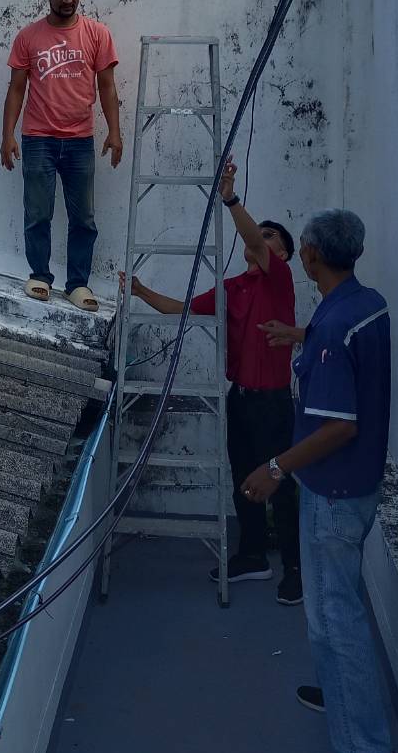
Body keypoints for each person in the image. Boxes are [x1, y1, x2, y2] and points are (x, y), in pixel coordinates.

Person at [240, 208, 398, 753]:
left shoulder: (335, 327)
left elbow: (339, 425)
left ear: (309, 255)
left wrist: (276, 467)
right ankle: (341, 695)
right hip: (357, 486)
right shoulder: (366, 305)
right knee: (337, 613)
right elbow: (340, 350)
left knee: (335, 620)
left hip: (331, 492)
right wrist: (300, 336)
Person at [120, 157, 302, 604]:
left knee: (280, 481)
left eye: (270, 236)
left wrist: (231, 199)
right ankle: (253, 556)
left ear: (281, 254)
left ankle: (295, 570)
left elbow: (250, 237)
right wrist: (140, 291)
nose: (261, 239)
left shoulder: (279, 280)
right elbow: (181, 309)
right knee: (243, 476)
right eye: (262, 233)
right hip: (240, 398)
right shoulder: (233, 288)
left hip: (274, 401)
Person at [0, 0, 122, 313]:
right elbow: (16, 89)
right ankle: (39, 275)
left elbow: (107, 86)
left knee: (84, 218)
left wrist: (114, 132)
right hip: (38, 139)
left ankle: (77, 284)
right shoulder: (28, 37)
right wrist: (8, 135)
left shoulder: (97, 34)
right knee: (38, 213)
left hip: (81, 141)